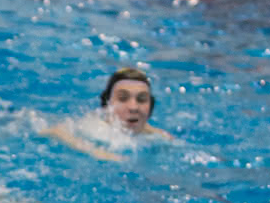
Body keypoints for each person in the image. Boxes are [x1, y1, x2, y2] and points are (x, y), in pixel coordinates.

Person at [42, 67, 173, 163]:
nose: (134, 107)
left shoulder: (153, 134)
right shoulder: (94, 128)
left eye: (141, 99)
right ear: (107, 105)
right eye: (123, 98)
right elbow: (54, 130)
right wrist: (96, 152)